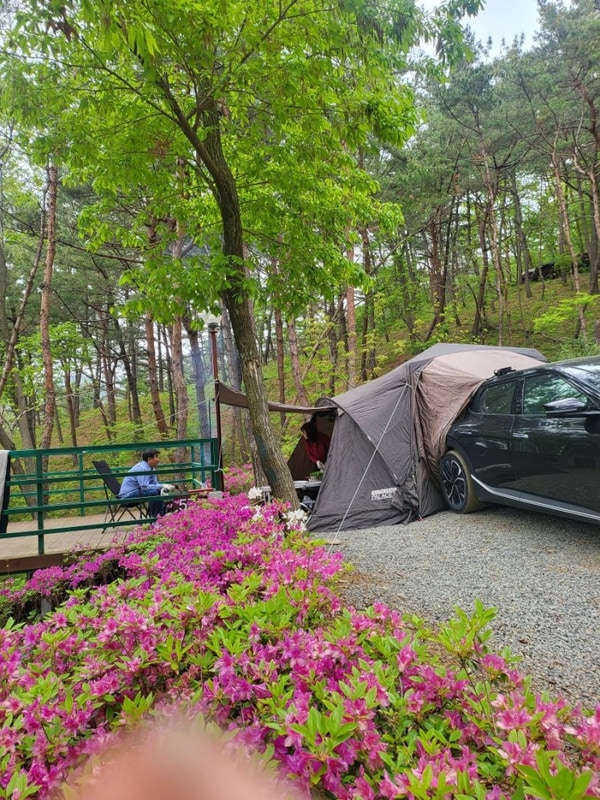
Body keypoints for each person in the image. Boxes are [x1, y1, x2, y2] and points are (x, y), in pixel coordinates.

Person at [118, 448, 175, 517]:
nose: (158, 460)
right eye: (156, 457)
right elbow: (144, 487)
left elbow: (154, 484)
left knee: (158, 491)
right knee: (154, 493)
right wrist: (162, 485)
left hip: (138, 492)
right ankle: (155, 519)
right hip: (127, 496)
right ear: (149, 459)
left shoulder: (152, 469)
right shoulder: (142, 468)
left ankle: (160, 514)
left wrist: (164, 487)